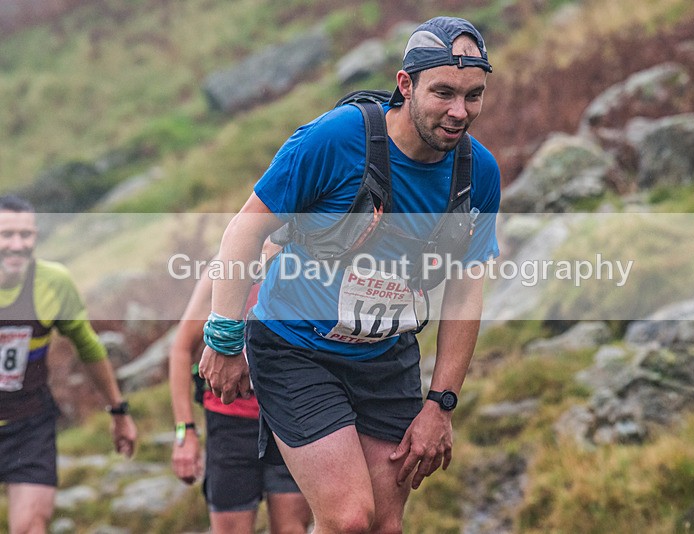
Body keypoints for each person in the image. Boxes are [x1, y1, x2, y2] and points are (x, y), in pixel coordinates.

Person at [200, 16, 500, 534]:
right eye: (444, 92)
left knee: (385, 525)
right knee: (348, 520)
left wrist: (442, 404)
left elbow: (465, 293)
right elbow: (244, 232)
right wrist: (225, 337)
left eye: (473, 96)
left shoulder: (479, 176)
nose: (458, 112)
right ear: (405, 85)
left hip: (386, 358)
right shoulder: (338, 140)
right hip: (296, 348)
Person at [0, 195, 137, 534]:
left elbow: (88, 347)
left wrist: (118, 412)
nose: (17, 245)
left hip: (28, 424)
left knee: (31, 525)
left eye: (26, 235)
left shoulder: (53, 282)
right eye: (6, 235)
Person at [169, 246, 312, 534]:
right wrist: (185, 433)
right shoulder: (225, 268)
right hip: (230, 424)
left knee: (292, 528)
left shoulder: (307, 266)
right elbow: (181, 349)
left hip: (290, 420)